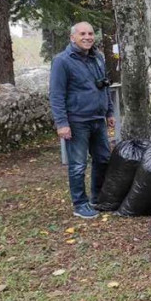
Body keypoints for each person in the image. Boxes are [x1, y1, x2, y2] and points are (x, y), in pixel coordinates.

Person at [49, 22, 115, 219]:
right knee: (78, 165)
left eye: (91, 33)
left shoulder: (98, 58)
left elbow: (104, 86)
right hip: (77, 121)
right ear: (72, 38)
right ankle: (80, 204)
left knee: (103, 159)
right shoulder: (62, 61)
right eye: (83, 34)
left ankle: (97, 197)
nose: (87, 37)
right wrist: (62, 123)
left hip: (97, 119)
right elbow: (56, 94)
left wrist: (109, 112)